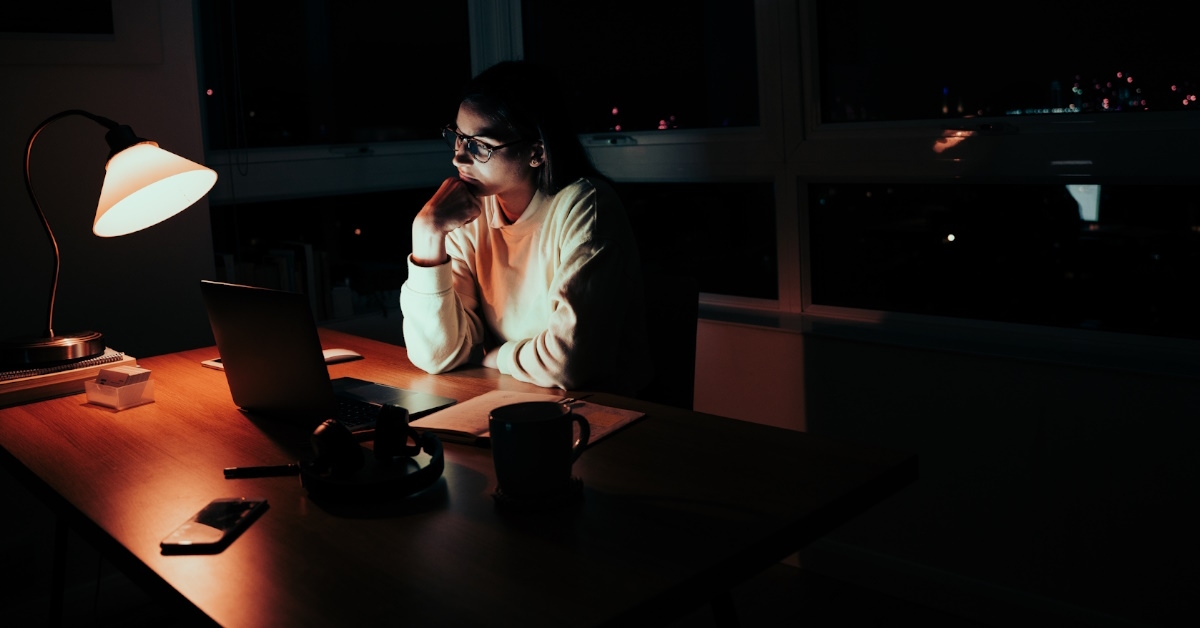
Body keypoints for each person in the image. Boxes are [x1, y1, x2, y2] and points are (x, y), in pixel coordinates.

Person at [400, 60, 653, 396]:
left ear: (537, 151)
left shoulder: (586, 206)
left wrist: (497, 357)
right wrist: (427, 234)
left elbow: (568, 363)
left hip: (609, 413)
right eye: (459, 138)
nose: (458, 159)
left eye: (481, 146)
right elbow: (438, 355)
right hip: (522, 401)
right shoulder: (470, 209)